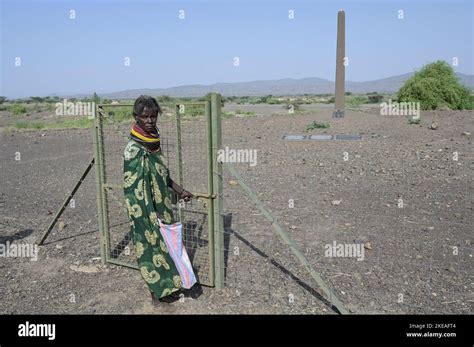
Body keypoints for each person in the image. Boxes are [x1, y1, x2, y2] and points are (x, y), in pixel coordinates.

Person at [123, 95, 194, 307]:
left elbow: (161, 174)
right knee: (151, 245)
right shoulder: (133, 150)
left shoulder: (154, 140)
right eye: (145, 117)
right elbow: (132, 188)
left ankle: (168, 287)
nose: (150, 121)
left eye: (154, 116)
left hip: (162, 204)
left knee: (168, 243)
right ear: (136, 117)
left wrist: (179, 190)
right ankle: (156, 292)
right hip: (144, 209)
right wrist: (147, 214)